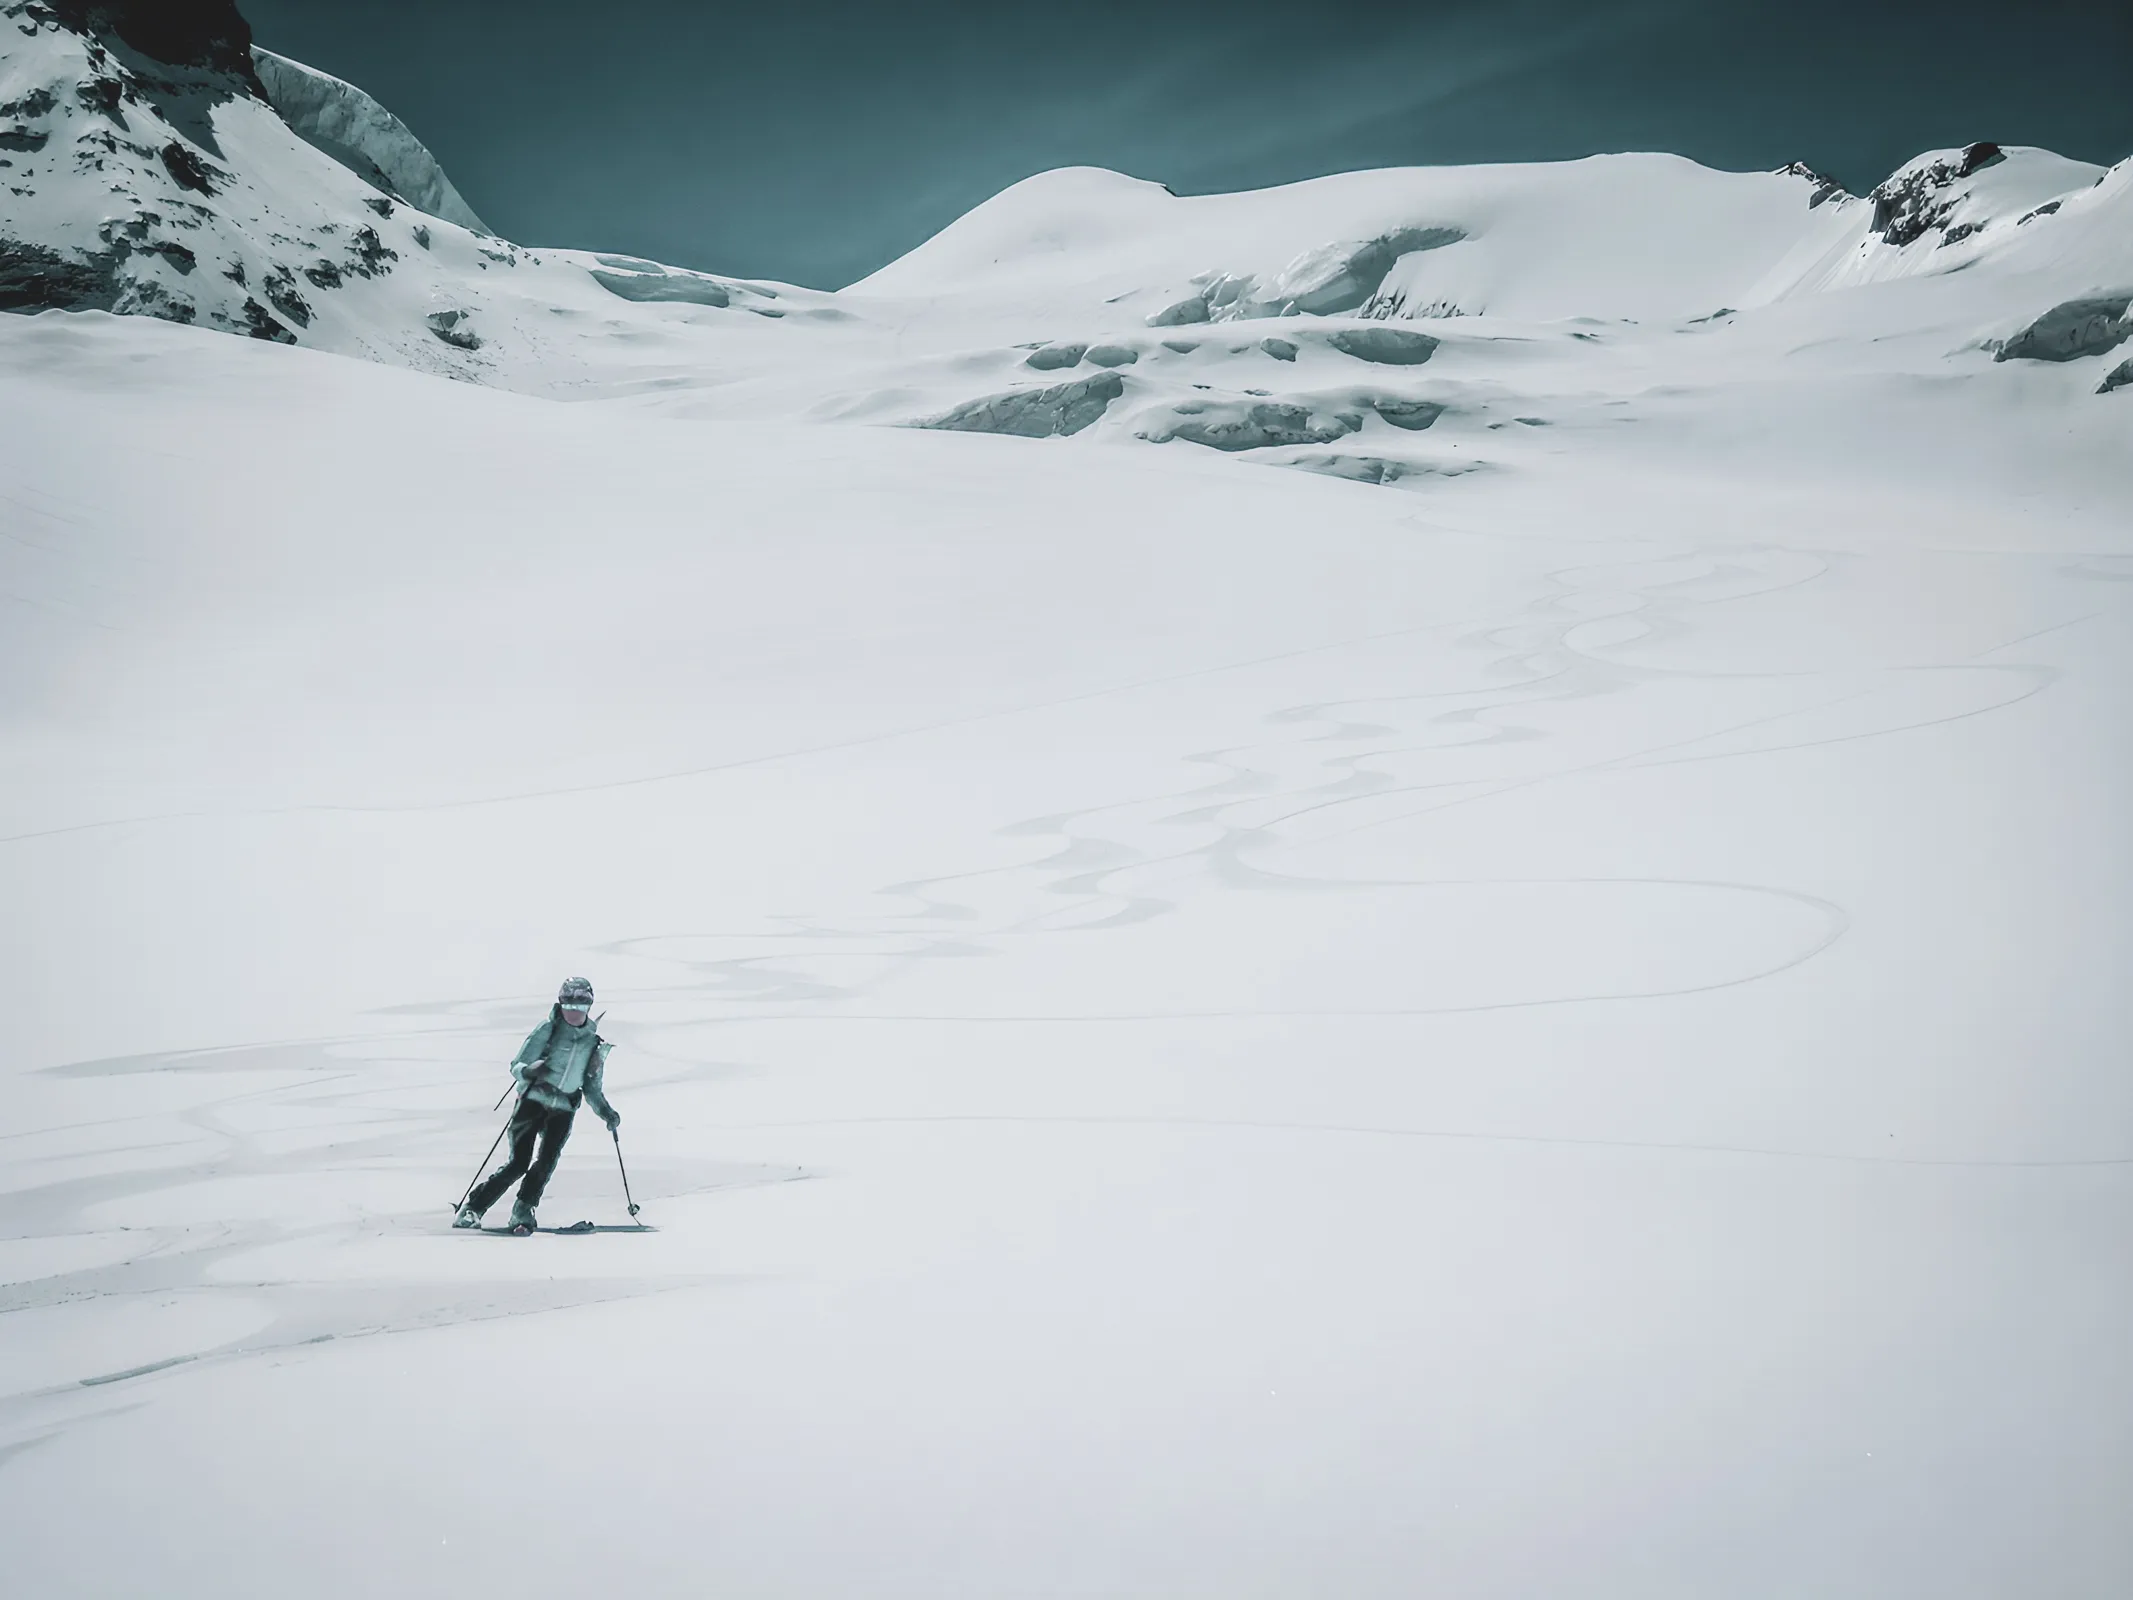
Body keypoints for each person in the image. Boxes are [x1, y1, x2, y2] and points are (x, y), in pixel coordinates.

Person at [456, 976, 620, 1234]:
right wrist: (529, 1071)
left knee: (546, 1161)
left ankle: (524, 1209)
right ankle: (473, 1208)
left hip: (564, 1108)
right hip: (532, 1102)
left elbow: (591, 1087)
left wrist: (606, 1113)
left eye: (581, 1006)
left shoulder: (592, 1043)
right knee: (519, 1162)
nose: (574, 1012)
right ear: (561, 1004)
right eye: (569, 1005)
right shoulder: (548, 1030)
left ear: (589, 1007)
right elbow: (517, 1065)